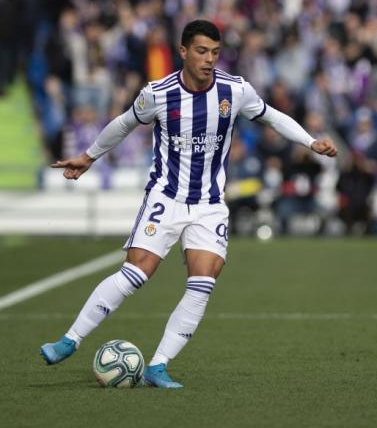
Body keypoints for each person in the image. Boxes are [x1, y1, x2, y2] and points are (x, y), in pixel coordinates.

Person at [40, 20, 337, 388]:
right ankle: (70, 340)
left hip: (210, 204)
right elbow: (123, 124)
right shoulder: (158, 94)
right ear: (183, 51)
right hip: (166, 196)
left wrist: (310, 142)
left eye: (215, 52)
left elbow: (271, 116)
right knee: (137, 274)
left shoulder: (235, 90)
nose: (209, 59)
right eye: (201, 51)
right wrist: (89, 157)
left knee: (202, 282)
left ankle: (158, 365)